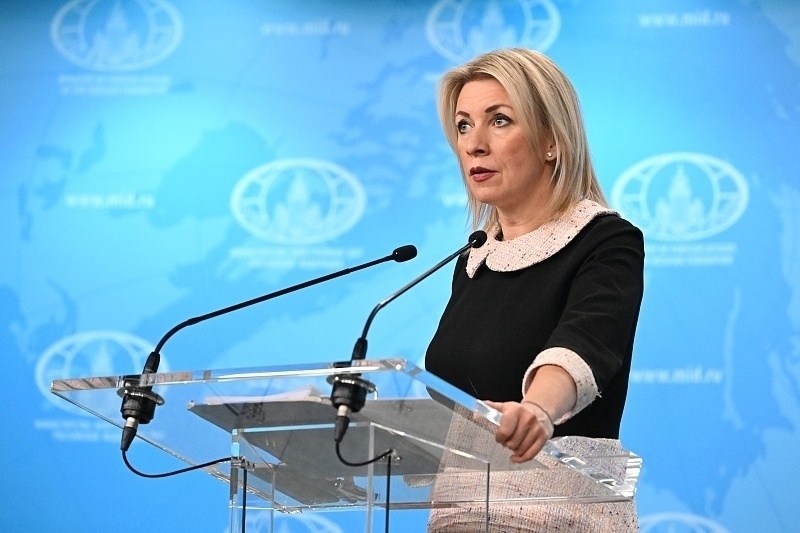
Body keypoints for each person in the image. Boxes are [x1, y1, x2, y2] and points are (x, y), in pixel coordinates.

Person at [424, 48, 645, 531]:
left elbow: (584, 346)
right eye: (463, 126)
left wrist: (538, 410)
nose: (474, 144)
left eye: (499, 120)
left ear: (551, 141)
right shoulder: (474, 259)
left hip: (561, 518)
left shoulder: (606, 241)